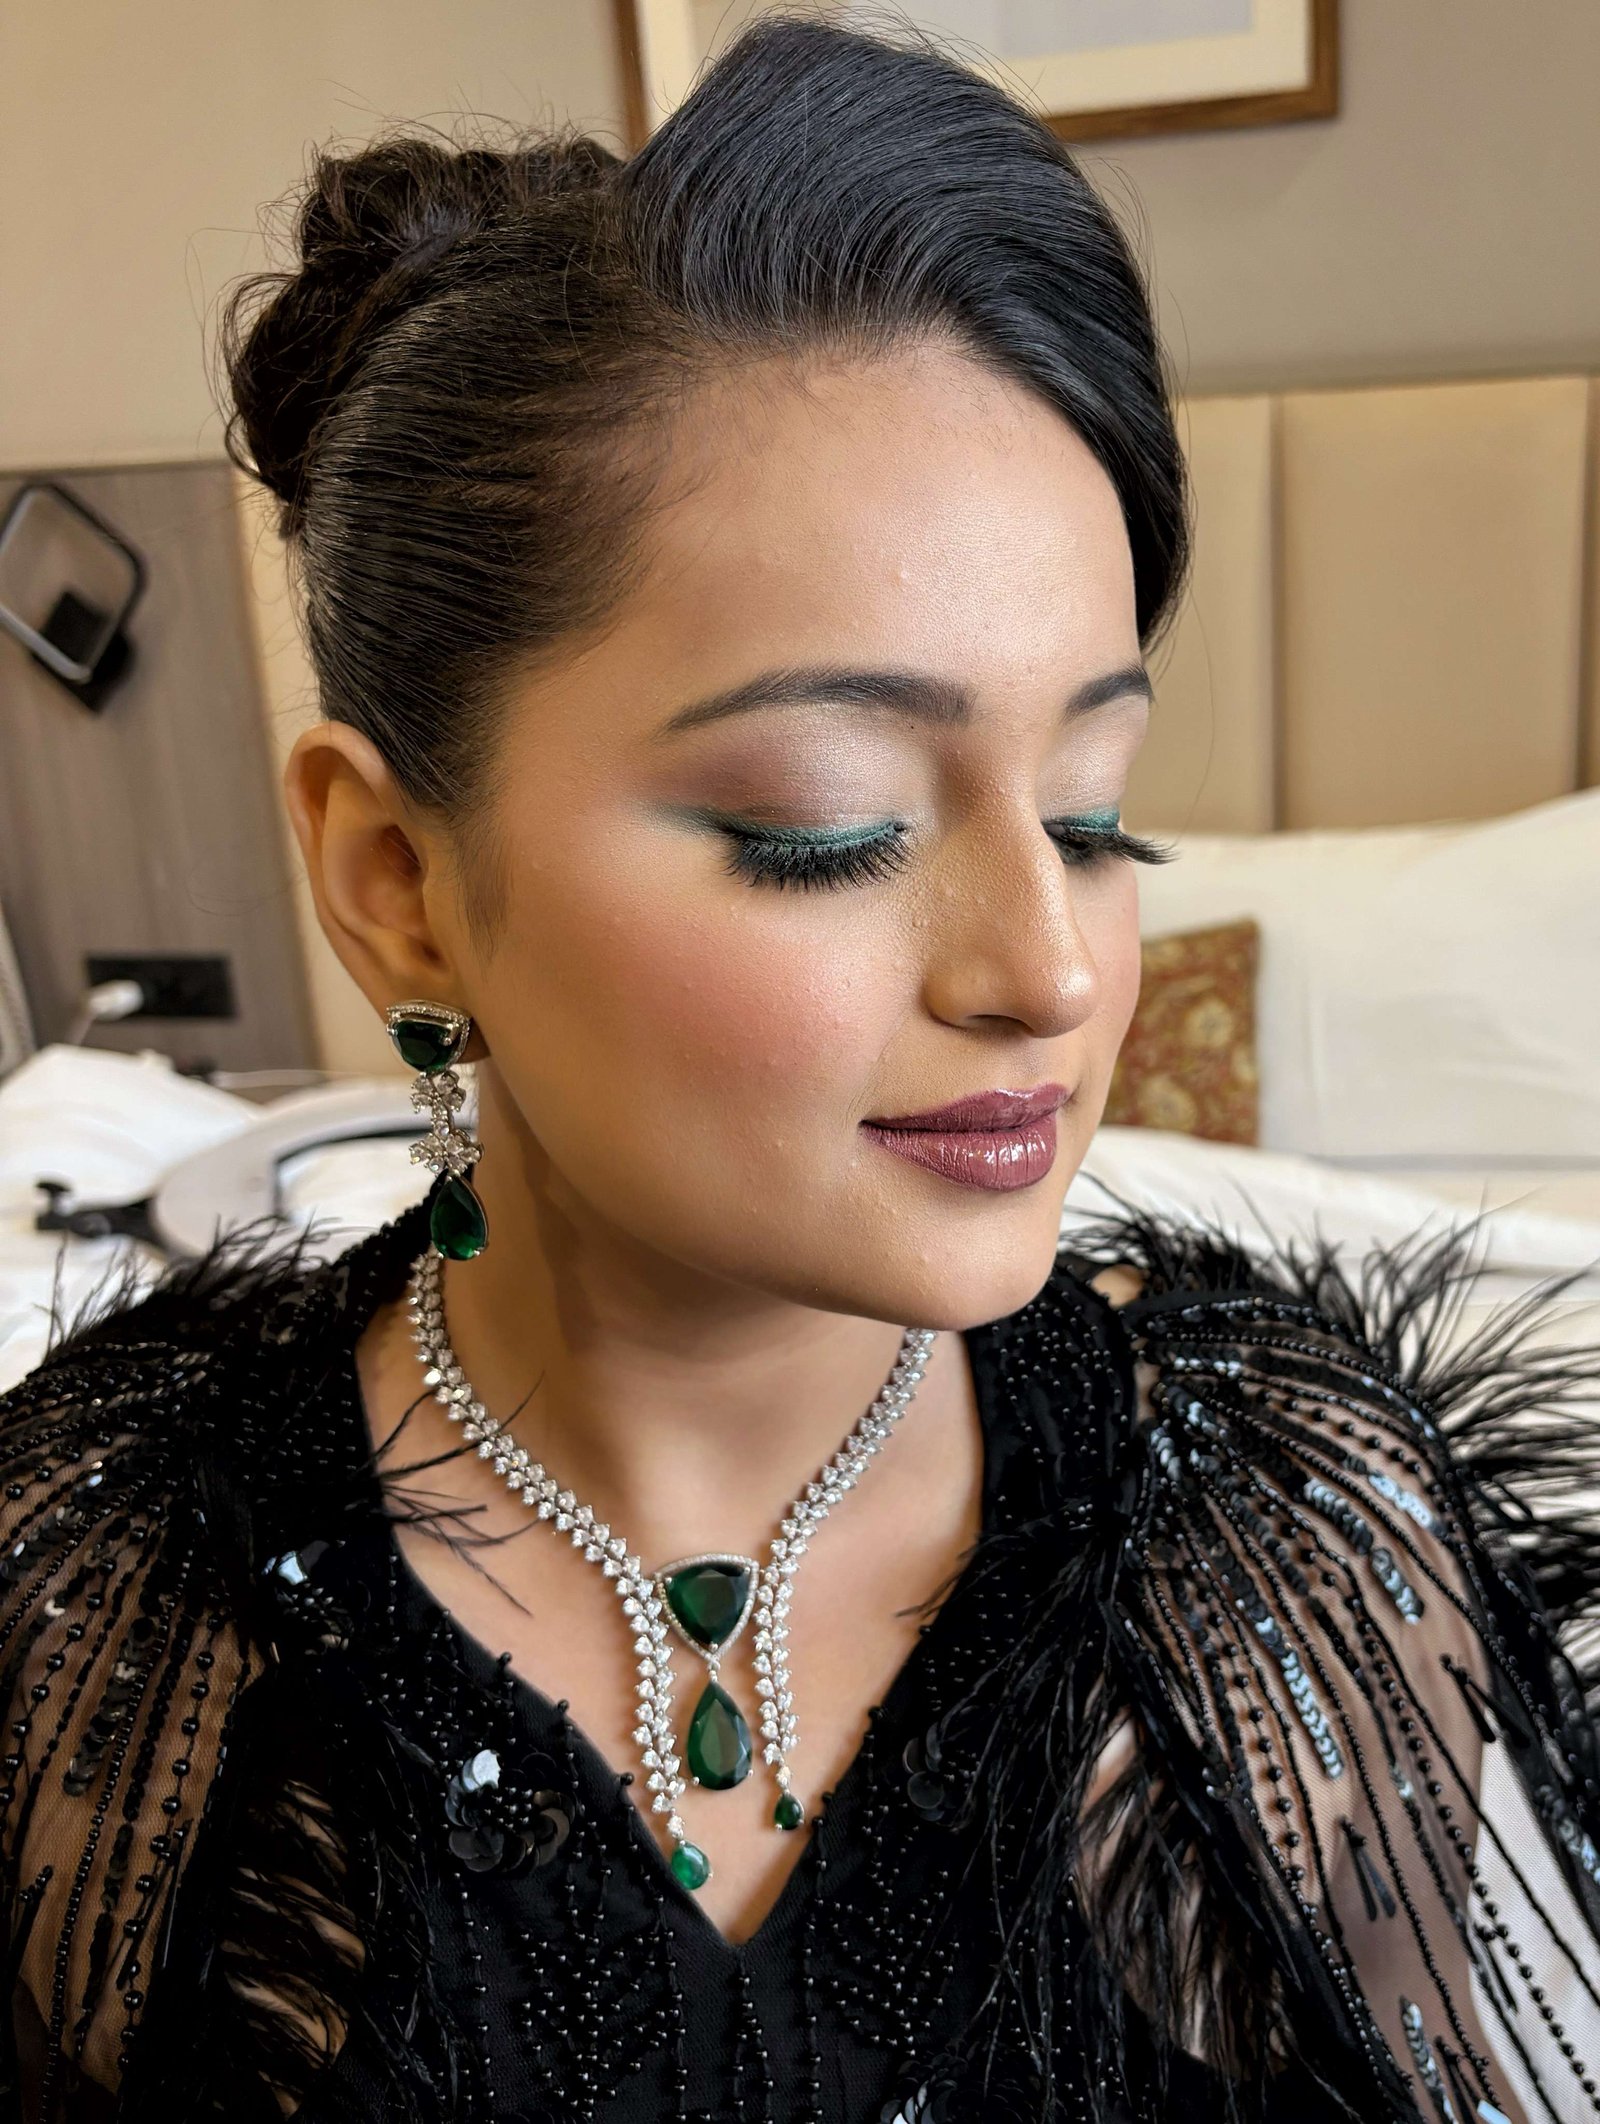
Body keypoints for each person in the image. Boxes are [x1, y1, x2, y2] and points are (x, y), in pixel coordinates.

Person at [2, 16, 1598, 2123]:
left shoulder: (1276, 1538)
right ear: (399, 882)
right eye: (828, 828)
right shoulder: (108, 1594)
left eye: (1095, 815)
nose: (1050, 970)